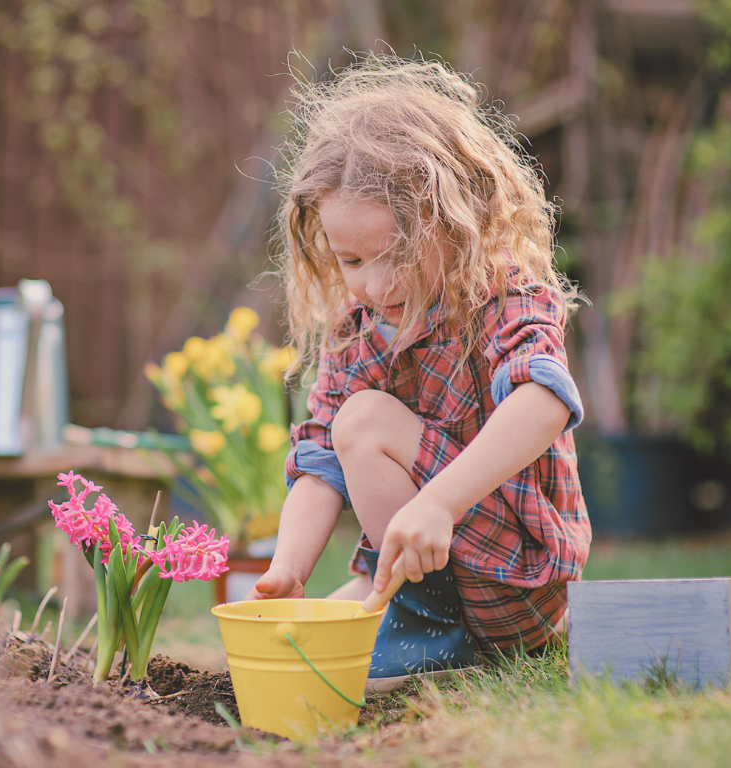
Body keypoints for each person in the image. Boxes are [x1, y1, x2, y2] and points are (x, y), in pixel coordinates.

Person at [246, 55, 592, 692]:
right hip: (431, 567)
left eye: (396, 254)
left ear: (454, 220)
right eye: (350, 259)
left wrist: (437, 502)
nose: (374, 284)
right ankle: (414, 615)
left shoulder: (504, 296)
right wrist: (288, 567)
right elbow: (319, 458)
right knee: (303, 647)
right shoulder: (355, 328)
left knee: (366, 421)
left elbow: (543, 399)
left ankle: (432, 632)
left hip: (517, 582)